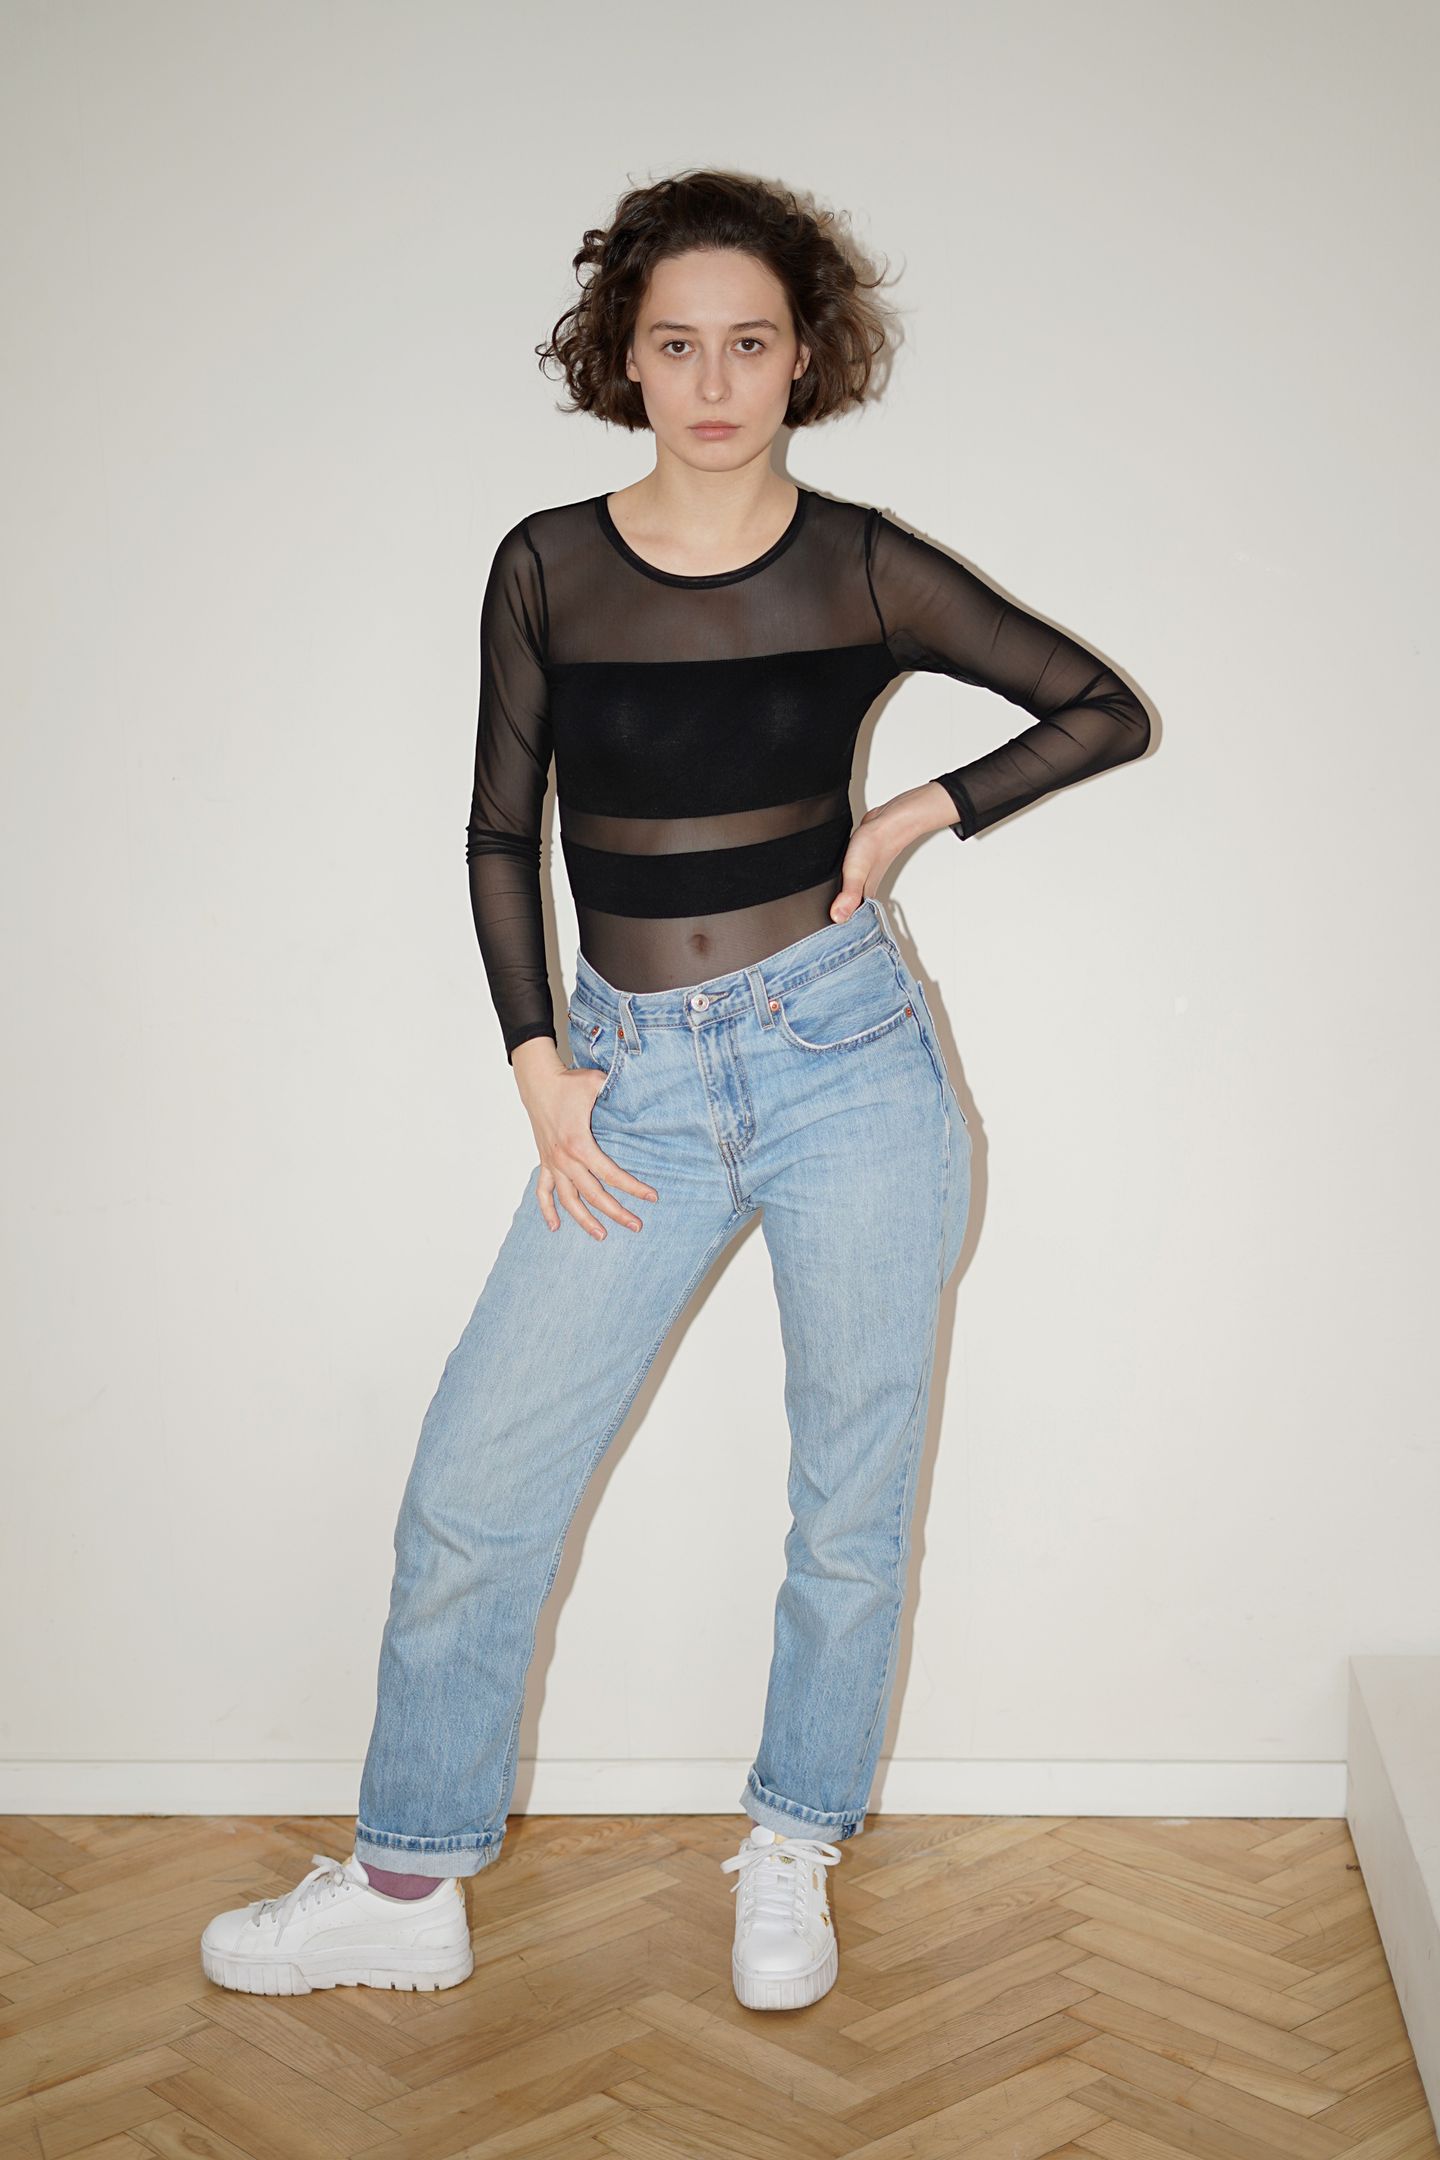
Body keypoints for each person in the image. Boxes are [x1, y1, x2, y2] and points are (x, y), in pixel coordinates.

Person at [200, 167, 1150, 2010]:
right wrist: (538, 1063)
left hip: (845, 1064)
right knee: (476, 1489)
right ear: (622, 359)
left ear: (805, 359)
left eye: (751, 344)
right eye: (676, 345)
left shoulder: (860, 561)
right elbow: (501, 830)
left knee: (847, 1504)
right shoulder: (547, 566)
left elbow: (1101, 705)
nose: (714, 383)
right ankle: (405, 1887)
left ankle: (791, 1848)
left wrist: (920, 809)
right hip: (624, 1084)